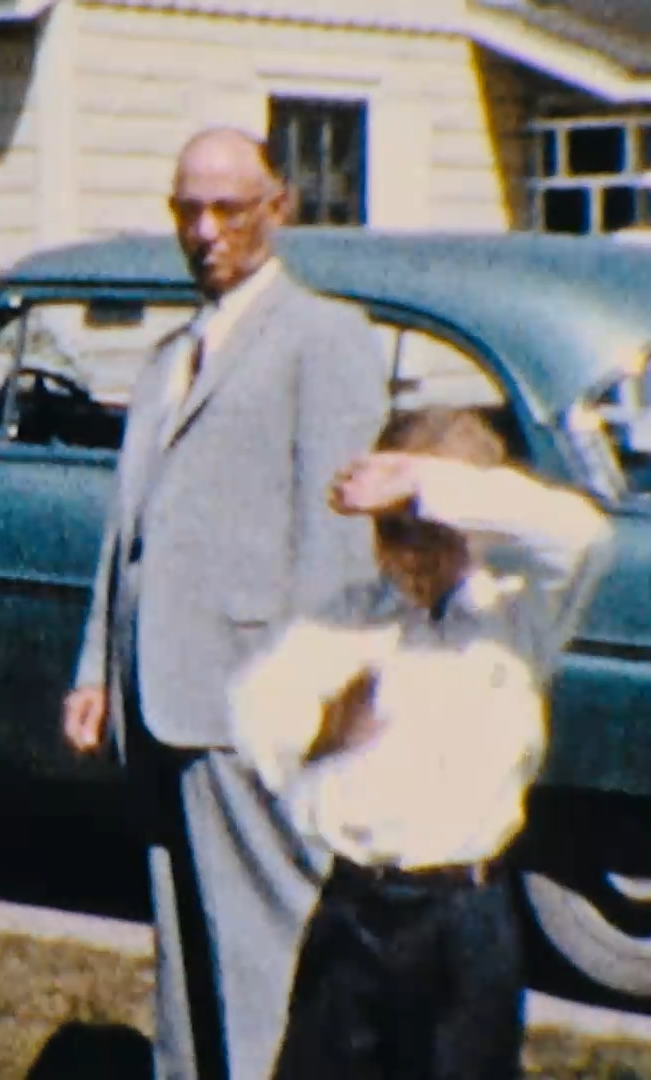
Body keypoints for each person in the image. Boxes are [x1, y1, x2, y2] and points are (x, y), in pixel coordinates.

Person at [62, 128, 390, 1080]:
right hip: (161, 698)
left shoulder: (324, 338)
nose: (205, 232)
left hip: (253, 702)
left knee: (266, 953)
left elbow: (339, 536)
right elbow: (131, 526)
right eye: (188, 211)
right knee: (187, 955)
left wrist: (309, 698)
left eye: (228, 209)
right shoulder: (171, 354)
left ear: (278, 208)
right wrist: (97, 669)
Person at [230, 408, 613, 1079]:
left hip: (462, 920)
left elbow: (584, 535)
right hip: (355, 910)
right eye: (391, 532)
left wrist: (420, 481)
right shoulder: (352, 619)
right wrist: (327, 730)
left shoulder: (518, 617)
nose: (408, 554)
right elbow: (260, 715)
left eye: (426, 529)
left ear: (472, 521)